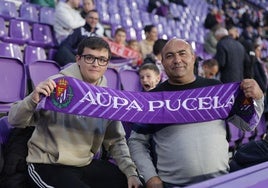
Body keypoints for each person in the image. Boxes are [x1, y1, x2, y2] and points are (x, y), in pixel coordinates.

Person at [8, 37, 142, 188]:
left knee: (130, 183)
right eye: (89, 58)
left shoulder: (107, 97)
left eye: (102, 59)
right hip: (47, 164)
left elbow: (116, 140)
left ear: (107, 64)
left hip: (84, 164)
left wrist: (130, 172)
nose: (95, 64)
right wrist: (32, 100)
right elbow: (14, 120)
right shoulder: (57, 84)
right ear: (78, 59)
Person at [128, 38, 264, 187]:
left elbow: (247, 125)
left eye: (182, 53)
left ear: (193, 57)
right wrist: (150, 177)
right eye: (169, 56)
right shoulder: (152, 99)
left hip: (221, 182)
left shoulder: (216, 89)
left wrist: (258, 99)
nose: (177, 60)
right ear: (162, 63)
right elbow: (136, 142)